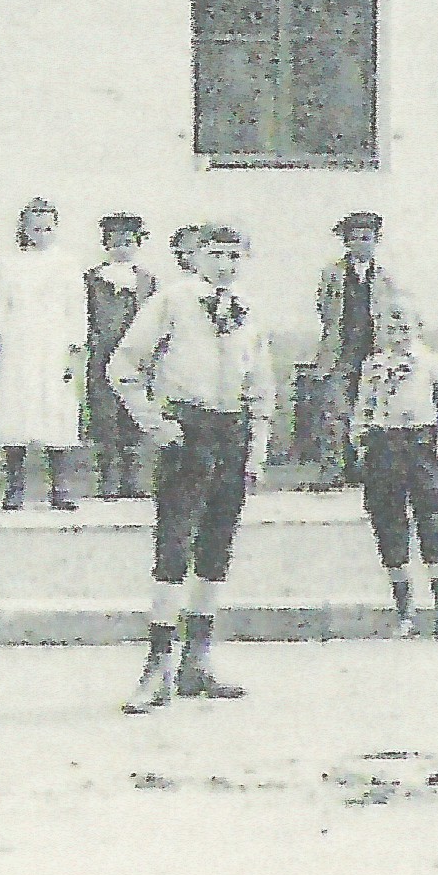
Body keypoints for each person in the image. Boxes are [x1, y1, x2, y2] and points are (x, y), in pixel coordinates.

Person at [107, 220, 282, 713]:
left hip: (233, 431)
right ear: (194, 256)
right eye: (215, 253)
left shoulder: (249, 309)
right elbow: (122, 367)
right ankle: (156, 665)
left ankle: (197, 662)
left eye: (234, 254)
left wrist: (258, 445)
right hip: (186, 429)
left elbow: (262, 383)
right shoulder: (171, 301)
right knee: (175, 545)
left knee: (216, 546)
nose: (225, 263)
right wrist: (156, 423)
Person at [342, 290, 438, 638]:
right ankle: (405, 613)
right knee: (389, 523)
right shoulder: (373, 366)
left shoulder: (432, 363)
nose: (396, 330)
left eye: (403, 322)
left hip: (420, 446)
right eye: (388, 323)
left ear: (418, 325)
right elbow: (363, 407)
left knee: (432, 522)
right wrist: (362, 442)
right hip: (384, 447)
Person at [0, 197, 85, 511]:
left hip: (53, 344)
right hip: (19, 342)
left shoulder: (67, 263)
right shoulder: (8, 263)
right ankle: (14, 486)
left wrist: (74, 348)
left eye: (47, 228)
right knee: (16, 411)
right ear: (24, 230)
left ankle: (60, 487)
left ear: (55, 228)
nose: (41, 234)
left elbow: (76, 307)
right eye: (35, 228)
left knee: (56, 411)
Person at [309, 210, 404, 490]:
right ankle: (332, 471)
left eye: (367, 238)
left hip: (374, 351)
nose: (361, 244)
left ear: (376, 241)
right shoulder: (333, 274)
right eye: (355, 239)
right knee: (335, 412)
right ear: (346, 242)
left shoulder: (385, 277)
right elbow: (324, 308)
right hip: (341, 353)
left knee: (372, 411)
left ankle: (366, 469)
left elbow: (391, 313)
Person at [83, 213, 160, 498]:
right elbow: (86, 316)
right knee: (105, 415)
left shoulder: (146, 280)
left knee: (133, 413)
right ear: (106, 244)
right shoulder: (93, 278)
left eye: (128, 242)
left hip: (135, 356)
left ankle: (132, 478)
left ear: (138, 243)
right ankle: (107, 479)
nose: (122, 248)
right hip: (102, 354)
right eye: (115, 242)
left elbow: (154, 318)